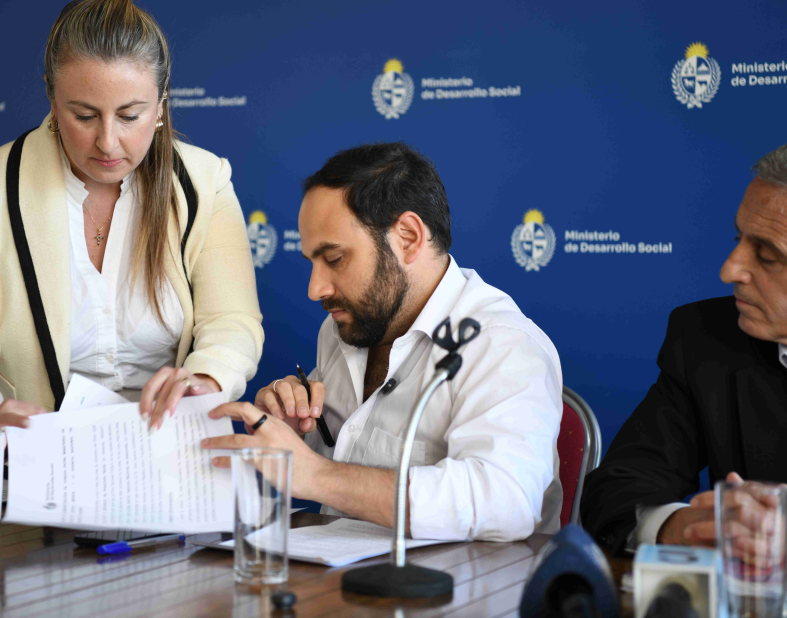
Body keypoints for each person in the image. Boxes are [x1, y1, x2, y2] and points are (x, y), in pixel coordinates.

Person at [0, 0, 263, 435]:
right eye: (85, 116)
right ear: (52, 99)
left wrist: (207, 376)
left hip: (174, 458)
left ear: (161, 102)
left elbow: (233, 321)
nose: (108, 142)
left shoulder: (205, 182)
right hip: (36, 466)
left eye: (130, 115)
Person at [202, 143, 563, 542]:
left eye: (335, 259)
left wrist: (316, 474)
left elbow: (505, 502)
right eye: (312, 263)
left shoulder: (503, 345)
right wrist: (297, 425)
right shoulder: (345, 327)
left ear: (408, 237)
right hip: (339, 587)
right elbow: (335, 460)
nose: (315, 289)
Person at [581, 133, 787, 573]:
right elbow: (616, 488)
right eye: (739, 238)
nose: (730, 269)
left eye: (766, 255)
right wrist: (687, 527)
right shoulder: (709, 339)